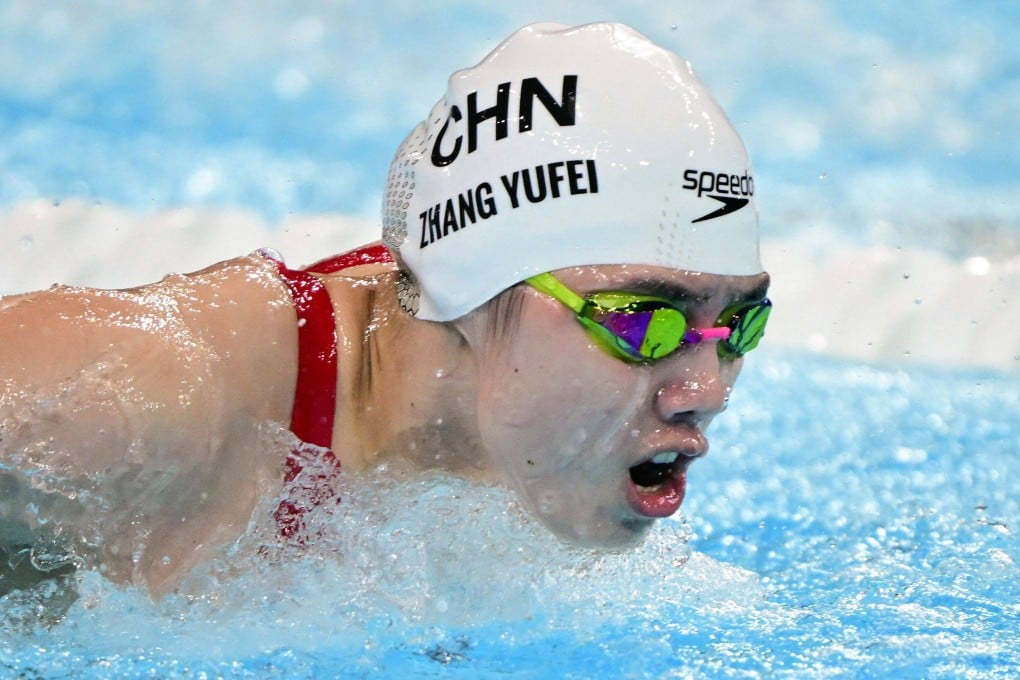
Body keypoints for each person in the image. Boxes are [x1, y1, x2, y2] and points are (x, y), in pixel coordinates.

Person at [0, 22, 770, 598]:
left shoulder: (534, 460)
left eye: (738, 325)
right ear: (472, 287)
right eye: (639, 320)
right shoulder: (135, 399)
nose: (709, 389)